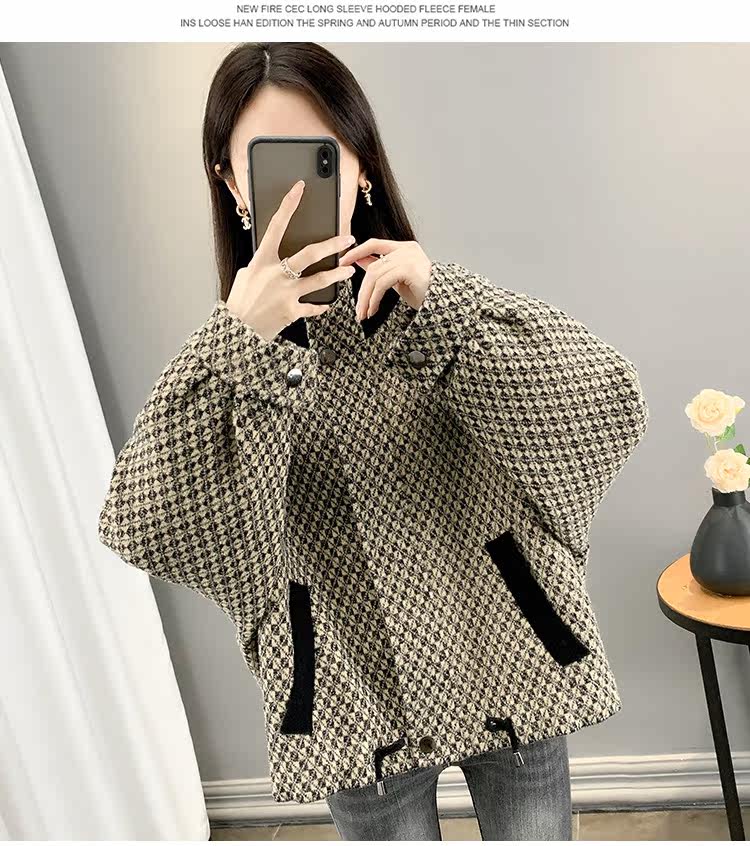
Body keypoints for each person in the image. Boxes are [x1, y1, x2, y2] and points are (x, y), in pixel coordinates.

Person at [99, 41, 648, 841]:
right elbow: (143, 521)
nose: (296, 189)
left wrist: (448, 313)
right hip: (348, 690)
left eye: (319, 157)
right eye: (268, 164)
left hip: (510, 651)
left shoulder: (439, 310)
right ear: (231, 185)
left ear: (359, 165)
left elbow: (605, 405)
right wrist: (241, 353)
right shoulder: (226, 371)